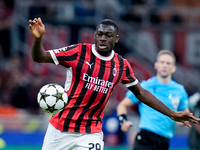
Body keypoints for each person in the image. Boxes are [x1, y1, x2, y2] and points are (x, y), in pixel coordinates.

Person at [29, 17, 199, 150]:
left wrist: (171, 113)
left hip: (90, 133)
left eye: (108, 35)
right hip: (60, 129)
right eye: (100, 34)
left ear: (116, 38)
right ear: (95, 35)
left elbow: (140, 92)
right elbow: (40, 57)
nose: (103, 38)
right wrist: (38, 39)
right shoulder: (79, 52)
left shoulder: (121, 65)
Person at [117, 50, 191, 150]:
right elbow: (122, 105)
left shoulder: (179, 90)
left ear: (173, 68)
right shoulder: (145, 86)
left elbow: (185, 114)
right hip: (145, 138)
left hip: (165, 141)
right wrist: (123, 122)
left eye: (168, 63)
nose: (164, 65)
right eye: (162, 62)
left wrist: (181, 121)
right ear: (156, 65)